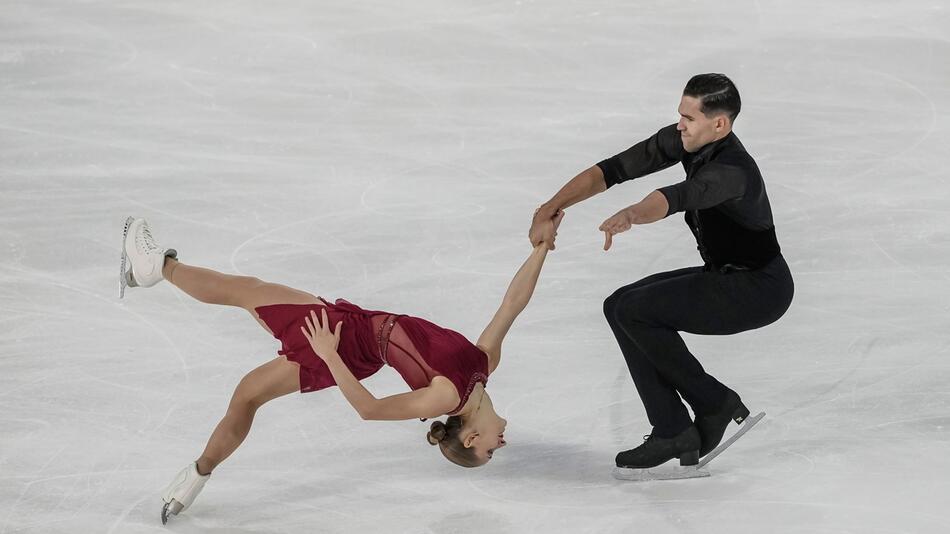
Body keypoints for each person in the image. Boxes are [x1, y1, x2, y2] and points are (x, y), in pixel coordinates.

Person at [118, 212, 561, 523]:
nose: (498, 446)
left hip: (340, 338)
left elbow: (369, 410)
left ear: (469, 436)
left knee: (245, 292)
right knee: (248, 393)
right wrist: (543, 247)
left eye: (486, 452)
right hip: (352, 343)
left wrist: (329, 352)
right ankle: (194, 478)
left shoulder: (447, 395)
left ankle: (156, 266)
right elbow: (512, 305)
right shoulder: (484, 365)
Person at [528, 73, 794, 471]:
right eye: (680, 115)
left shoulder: (732, 170)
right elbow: (615, 168)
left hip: (758, 289)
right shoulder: (688, 140)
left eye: (689, 117)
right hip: (726, 275)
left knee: (635, 310)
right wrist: (549, 207)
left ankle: (709, 405)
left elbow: (676, 198)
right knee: (618, 305)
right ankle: (676, 426)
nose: (680, 125)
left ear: (719, 124)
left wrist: (632, 214)